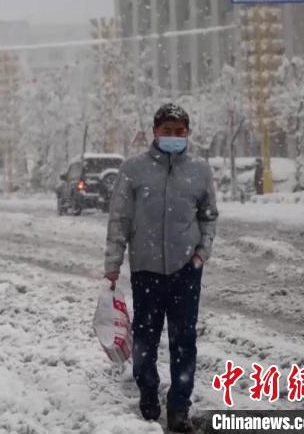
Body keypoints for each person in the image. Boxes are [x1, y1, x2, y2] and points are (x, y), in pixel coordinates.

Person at [104, 103, 218, 433]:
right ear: (155, 132)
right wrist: (113, 265)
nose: (173, 137)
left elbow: (209, 216)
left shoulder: (200, 171)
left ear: (188, 134)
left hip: (186, 270)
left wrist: (201, 254)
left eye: (179, 132)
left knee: (184, 340)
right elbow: (119, 221)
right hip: (146, 270)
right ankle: (149, 393)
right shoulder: (133, 170)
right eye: (167, 131)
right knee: (145, 338)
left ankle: (179, 406)